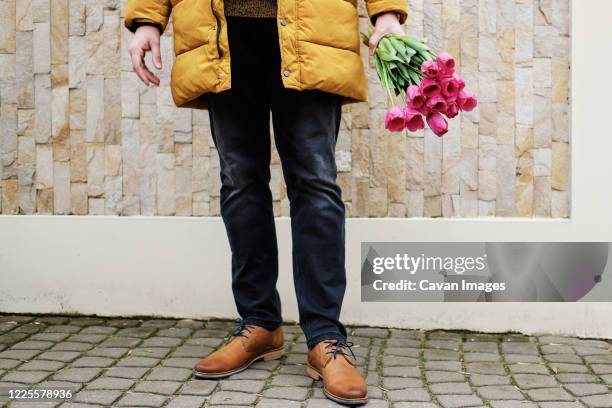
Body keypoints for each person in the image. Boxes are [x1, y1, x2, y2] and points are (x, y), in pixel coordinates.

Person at [125, 0, 407, 404]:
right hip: (221, 39)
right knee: (239, 186)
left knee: (316, 187)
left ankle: (325, 337)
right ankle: (259, 324)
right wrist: (147, 19)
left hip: (311, 32)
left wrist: (387, 13)